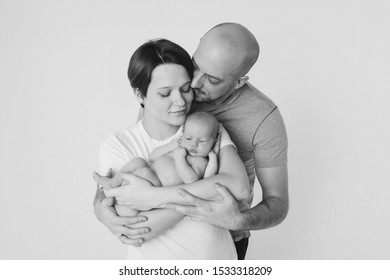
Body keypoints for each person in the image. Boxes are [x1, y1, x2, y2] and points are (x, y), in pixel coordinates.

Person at [94, 22, 289, 260]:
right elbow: (139, 147)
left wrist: (237, 219)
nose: (194, 84)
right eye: (195, 65)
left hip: (224, 237)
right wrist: (101, 206)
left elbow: (276, 201)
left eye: (213, 80)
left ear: (239, 82)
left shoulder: (261, 118)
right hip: (161, 244)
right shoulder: (176, 87)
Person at [93, 111, 220, 217]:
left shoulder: (200, 161)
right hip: (149, 174)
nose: (194, 144)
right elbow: (153, 157)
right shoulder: (179, 148)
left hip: (157, 186)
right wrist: (170, 146)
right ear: (183, 135)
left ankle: (116, 200)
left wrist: (179, 158)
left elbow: (191, 180)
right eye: (188, 138)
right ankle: (114, 183)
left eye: (202, 141)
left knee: (144, 173)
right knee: (139, 162)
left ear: (213, 141)